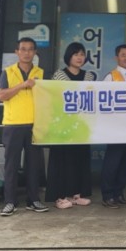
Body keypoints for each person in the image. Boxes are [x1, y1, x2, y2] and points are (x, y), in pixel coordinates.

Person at [0, 37, 48, 216]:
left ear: (35, 52)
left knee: (34, 165)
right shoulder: (8, 72)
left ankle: (33, 200)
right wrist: (23, 85)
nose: (27, 53)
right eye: (23, 49)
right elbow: (1, 95)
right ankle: (10, 201)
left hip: (34, 124)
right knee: (11, 164)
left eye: (30, 49)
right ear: (17, 52)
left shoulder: (41, 73)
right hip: (13, 123)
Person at [45, 42, 96, 210]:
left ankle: (76, 194)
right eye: (76, 54)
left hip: (81, 126)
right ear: (69, 56)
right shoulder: (59, 75)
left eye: (82, 54)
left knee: (79, 159)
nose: (79, 58)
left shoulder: (89, 76)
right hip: (63, 125)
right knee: (62, 160)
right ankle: (59, 197)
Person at [100, 44, 126, 209]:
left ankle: (119, 193)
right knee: (113, 162)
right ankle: (108, 195)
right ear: (117, 58)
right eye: (123, 55)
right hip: (116, 128)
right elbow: (103, 101)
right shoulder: (111, 77)